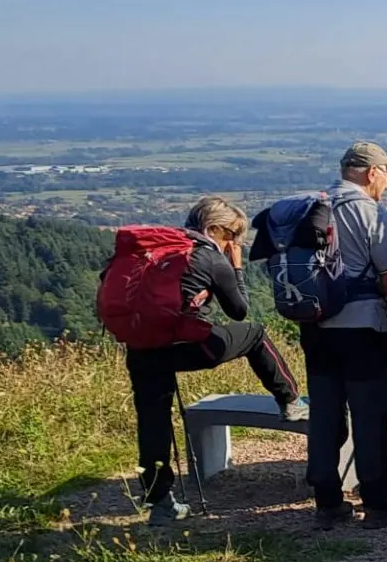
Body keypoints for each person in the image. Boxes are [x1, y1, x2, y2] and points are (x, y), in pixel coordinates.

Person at [123, 198, 305, 526]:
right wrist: (235, 266)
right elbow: (239, 310)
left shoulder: (158, 250)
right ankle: (291, 400)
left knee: (153, 421)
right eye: (232, 236)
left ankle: (160, 503)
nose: (234, 243)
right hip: (188, 346)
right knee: (254, 333)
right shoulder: (208, 255)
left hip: (142, 346)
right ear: (214, 229)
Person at [306, 141, 387, 529]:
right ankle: (378, 502)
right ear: (372, 173)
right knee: (369, 416)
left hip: (316, 329)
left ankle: (327, 503)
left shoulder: (313, 206)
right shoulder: (368, 212)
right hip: (363, 327)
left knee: (325, 415)